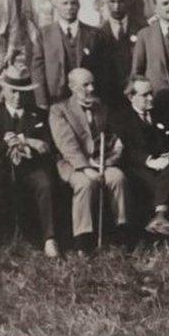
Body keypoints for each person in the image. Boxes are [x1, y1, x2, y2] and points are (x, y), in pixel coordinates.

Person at [0, 66, 58, 259]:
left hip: (31, 167)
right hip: (2, 167)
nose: (18, 97)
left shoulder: (38, 115)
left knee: (45, 183)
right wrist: (28, 142)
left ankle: (50, 239)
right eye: (13, 91)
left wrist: (19, 140)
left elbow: (46, 146)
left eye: (23, 92)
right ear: (4, 90)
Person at [50, 68, 127, 253]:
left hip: (100, 161)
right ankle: (82, 241)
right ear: (72, 87)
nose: (91, 88)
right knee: (85, 184)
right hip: (72, 164)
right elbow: (66, 144)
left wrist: (112, 153)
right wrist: (85, 167)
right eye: (86, 85)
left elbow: (110, 136)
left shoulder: (101, 107)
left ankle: (120, 233)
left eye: (92, 83)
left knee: (117, 177)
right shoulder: (59, 110)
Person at [117, 75, 169, 237]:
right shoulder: (121, 118)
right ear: (131, 97)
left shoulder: (161, 114)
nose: (151, 98)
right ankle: (158, 221)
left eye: (151, 93)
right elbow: (125, 150)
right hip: (137, 167)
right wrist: (149, 161)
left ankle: (159, 218)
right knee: (150, 179)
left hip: (164, 164)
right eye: (145, 95)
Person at [31, 0, 107, 109]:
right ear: (56, 7)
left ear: (79, 6)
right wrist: (42, 100)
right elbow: (38, 69)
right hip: (55, 98)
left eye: (73, 3)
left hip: (87, 98)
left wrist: (98, 97)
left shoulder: (93, 34)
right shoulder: (44, 34)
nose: (69, 7)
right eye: (65, 3)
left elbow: (102, 69)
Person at [98, 0, 140, 103]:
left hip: (137, 94)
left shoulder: (142, 29)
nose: (116, 6)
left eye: (121, 1)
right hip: (109, 97)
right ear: (105, 3)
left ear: (128, 1)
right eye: (112, 2)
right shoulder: (96, 34)